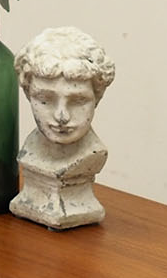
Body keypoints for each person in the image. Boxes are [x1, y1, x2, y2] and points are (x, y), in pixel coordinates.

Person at [10, 27, 117, 229]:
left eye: (78, 101)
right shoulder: (29, 148)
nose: (61, 116)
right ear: (28, 95)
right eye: (45, 99)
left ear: (97, 98)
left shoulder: (94, 153)